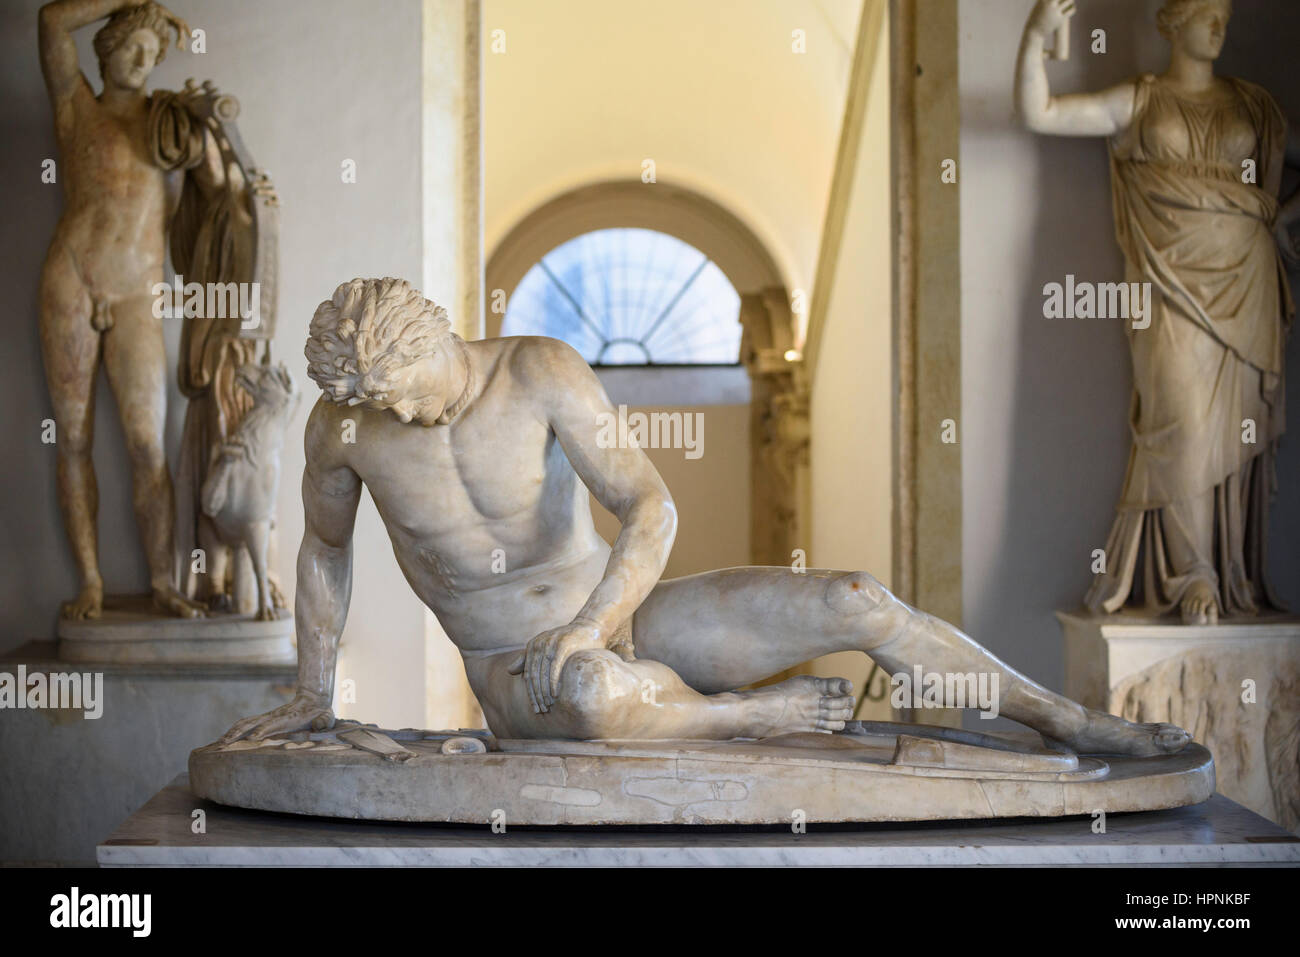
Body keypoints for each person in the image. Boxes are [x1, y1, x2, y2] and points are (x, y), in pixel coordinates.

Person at [222, 278, 1190, 753]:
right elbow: (323, 554)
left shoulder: (538, 370)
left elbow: (648, 504)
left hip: (622, 614)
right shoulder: (343, 428)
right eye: (380, 405)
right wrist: (314, 692)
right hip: (516, 669)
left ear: (438, 337)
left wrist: (594, 620)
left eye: (411, 392)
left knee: (856, 598)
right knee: (598, 695)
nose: (403, 416)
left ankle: (1070, 723)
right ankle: (745, 718)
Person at [1016, 0, 1299, 624]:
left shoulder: (1254, 106)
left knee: (1233, 429)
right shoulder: (1138, 101)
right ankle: (1192, 571)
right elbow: (1040, 112)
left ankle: (1229, 573)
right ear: (1171, 22)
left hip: (1246, 285)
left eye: (1224, 13)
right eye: (1204, 12)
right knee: (1180, 423)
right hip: (1168, 285)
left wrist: (1281, 216)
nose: (1218, 24)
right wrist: (1037, 36)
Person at [38, 0, 205, 618]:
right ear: (105, 49)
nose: (144, 59)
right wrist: (139, 0)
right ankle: (91, 582)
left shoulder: (170, 124)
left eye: (153, 51)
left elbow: (212, 198)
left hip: (139, 292)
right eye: (132, 46)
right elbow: (53, 20)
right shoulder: (75, 104)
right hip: (71, 281)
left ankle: (162, 581)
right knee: (73, 438)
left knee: (146, 444)